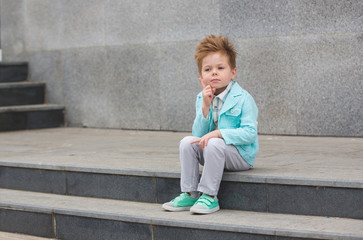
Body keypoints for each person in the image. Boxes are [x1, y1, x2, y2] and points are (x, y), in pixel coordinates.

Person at [162, 35, 259, 214]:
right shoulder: (202, 97)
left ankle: (209, 196)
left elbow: (250, 133)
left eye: (220, 68)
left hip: (240, 155)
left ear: (233, 72)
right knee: (187, 142)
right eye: (208, 69)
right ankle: (190, 193)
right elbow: (198, 134)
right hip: (213, 151)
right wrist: (205, 107)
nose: (214, 72)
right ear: (201, 75)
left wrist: (218, 133)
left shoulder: (243, 98)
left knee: (214, 142)